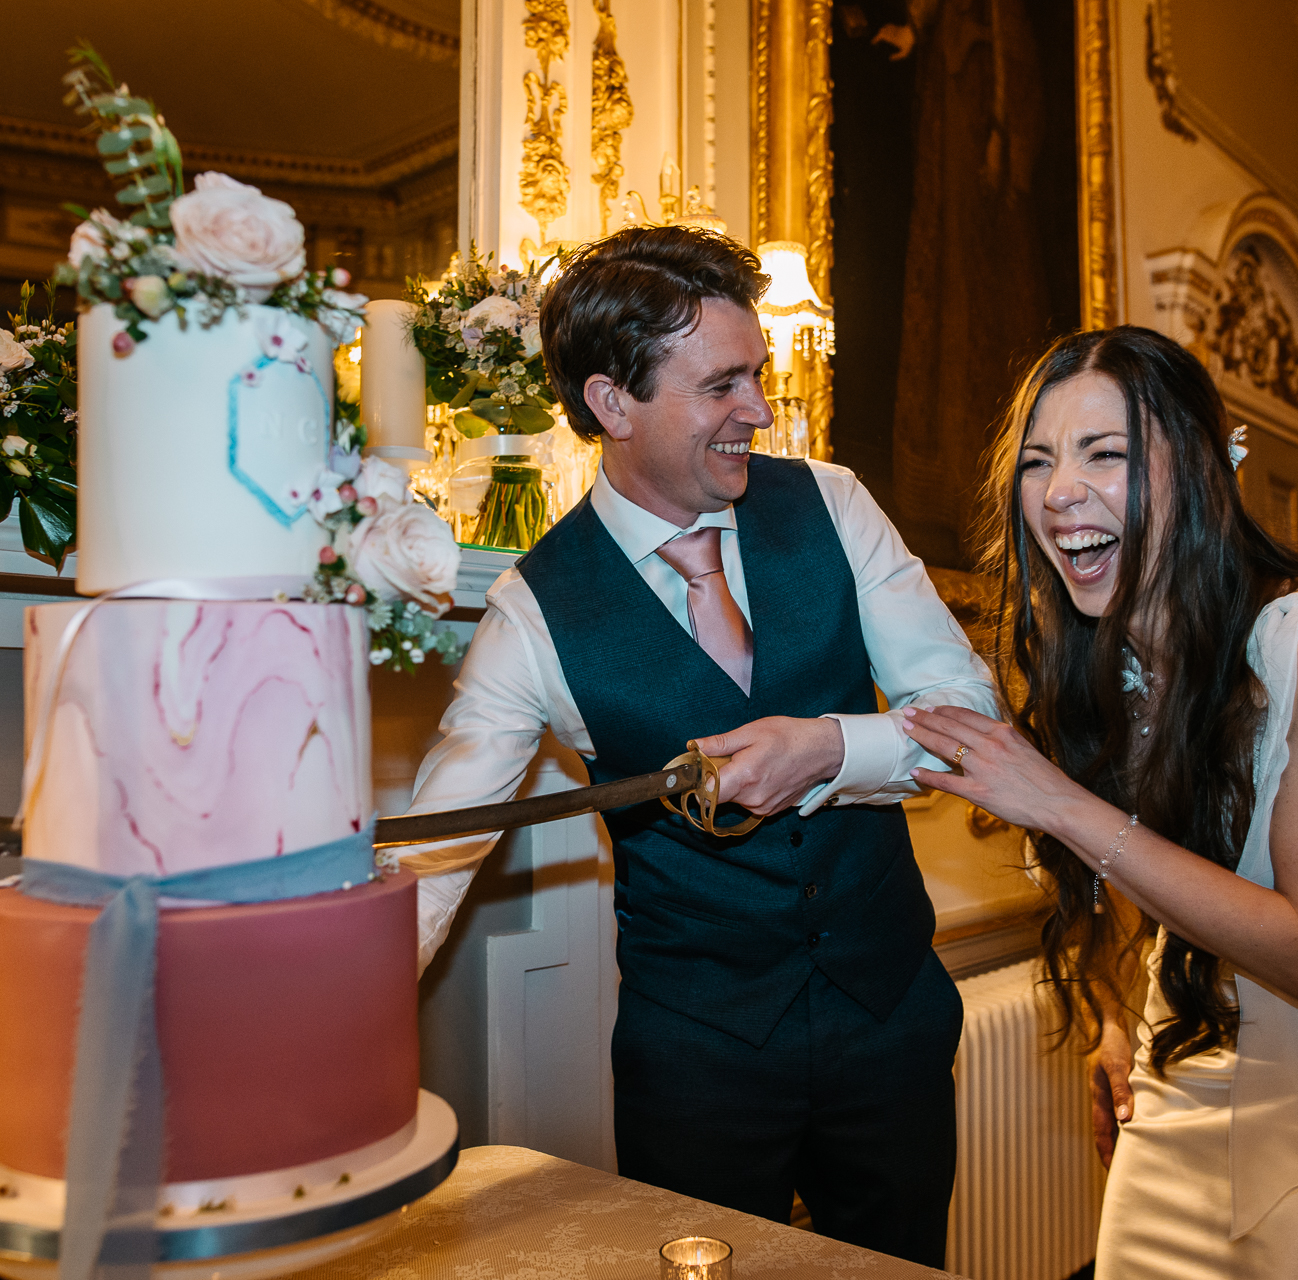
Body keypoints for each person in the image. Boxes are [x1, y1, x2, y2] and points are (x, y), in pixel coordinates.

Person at [397, 226, 998, 1267]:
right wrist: (304, 1042)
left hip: (891, 1016)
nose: (758, 410)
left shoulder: (835, 502)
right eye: (723, 383)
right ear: (611, 402)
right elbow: (433, 858)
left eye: (756, 375)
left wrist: (825, 746)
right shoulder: (531, 610)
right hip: (698, 1061)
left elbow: (966, 721)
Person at [902, 326, 1298, 1278]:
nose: (1059, 494)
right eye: (1039, 462)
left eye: (1107, 454)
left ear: (1206, 473)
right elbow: (1149, 859)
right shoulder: (1097, 656)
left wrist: (1053, 800)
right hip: (1196, 1046)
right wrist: (1116, 1011)